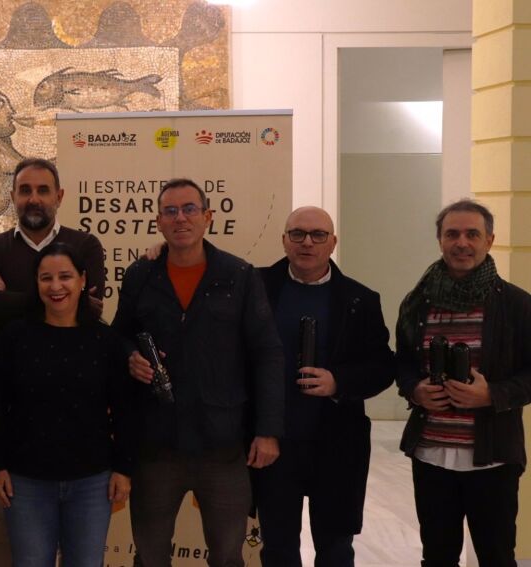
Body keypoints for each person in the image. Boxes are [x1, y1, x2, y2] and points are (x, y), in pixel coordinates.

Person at [112, 178, 284, 567]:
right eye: (170, 211)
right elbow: (119, 335)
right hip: (156, 446)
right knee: (150, 556)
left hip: (223, 446)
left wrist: (268, 430)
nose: (181, 218)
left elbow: (268, 353)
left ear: (207, 217)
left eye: (190, 209)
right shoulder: (141, 274)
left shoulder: (239, 275)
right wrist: (129, 355)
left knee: (227, 557)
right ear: (159, 221)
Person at [0, 157, 105, 566]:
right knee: (6, 546)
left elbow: (91, 310)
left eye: (43, 190)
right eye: (25, 190)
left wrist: (11, 296)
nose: (34, 198)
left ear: (59, 196)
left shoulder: (86, 246)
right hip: (14, 418)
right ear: (13, 196)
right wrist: (55, 299)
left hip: (79, 422)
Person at [253, 206, 394, 566]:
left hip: (336, 446)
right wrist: (159, 253)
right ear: (284, 240)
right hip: (273, 444)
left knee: (335, 550)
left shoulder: (361, 300)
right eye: (297, 234)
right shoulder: (255, 287)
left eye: (318, 235)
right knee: (278, 547)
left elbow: (382, 368)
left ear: (333, 243)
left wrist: (338, 381)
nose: (307, 243)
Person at [396, 199, 531, 567]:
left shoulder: (517, 305)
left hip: (493, 459)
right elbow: (403, 363)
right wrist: (415, 389)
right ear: (440, 240)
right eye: (452, 234)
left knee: (496, 557)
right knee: (437, 557)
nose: (462, 243)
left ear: (489, 240)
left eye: (472, 234)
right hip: (431, 455)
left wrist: (492, 394)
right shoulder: (417, 304)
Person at [0, 242, 134, 567]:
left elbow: (125, 410)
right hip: (25, 481)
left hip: (91, 482)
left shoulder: (105, 341)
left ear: (82, 280)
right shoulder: (14, 338)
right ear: (36, 283)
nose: (56, 287)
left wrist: (123, 468)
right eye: (46, 278)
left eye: (65, 276)